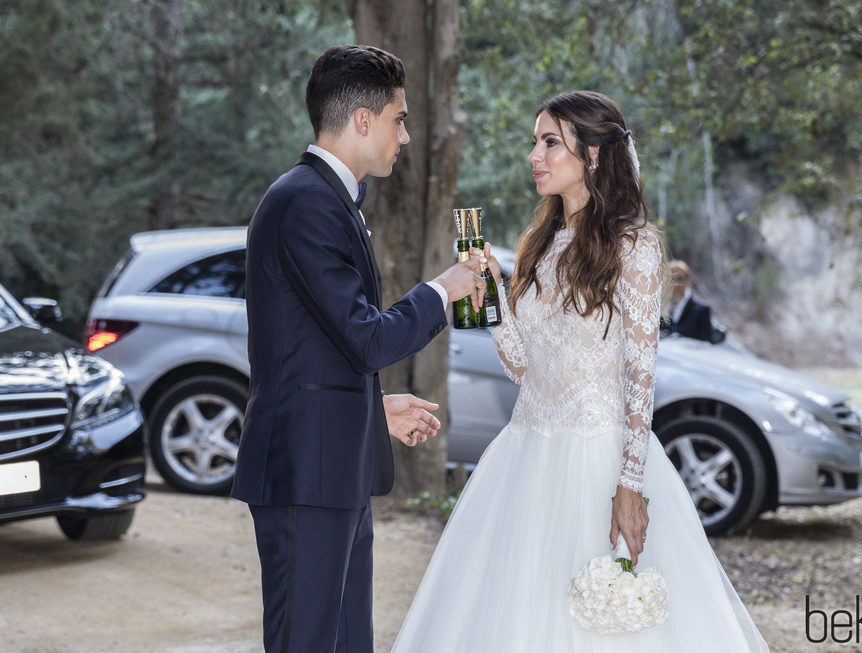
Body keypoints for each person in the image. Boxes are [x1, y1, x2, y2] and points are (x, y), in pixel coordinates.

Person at [391, 91, 769, 652]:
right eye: (535, 141)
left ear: (592, 155)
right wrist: (493, 295)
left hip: (599, 459)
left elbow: (642, 376)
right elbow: (523, 368)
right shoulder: (542, 244)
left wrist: (630, 485)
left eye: (549, 142)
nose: (533, 155)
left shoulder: (635, 246)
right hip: (523, 457)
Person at [231, 45, 487, 653]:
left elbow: (317, 345)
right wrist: (442, 290)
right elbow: (366, 336)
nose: (406, 135)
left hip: (332, 466)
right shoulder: (304, 202)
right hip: (306, 474)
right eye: (400, 118)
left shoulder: (324, 199)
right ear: (364, 120)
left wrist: (373, 410)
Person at [660, 259, 714, 341]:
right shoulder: (658, 308)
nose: (676, 283)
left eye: (680, 279)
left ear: (688, 281)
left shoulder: (701, 311)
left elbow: (706, 344)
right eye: (671, 279)